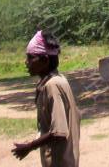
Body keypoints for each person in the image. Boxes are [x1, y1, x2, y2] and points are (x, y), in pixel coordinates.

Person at [12, 30, 81, 166]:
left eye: (31, 57)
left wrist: (30, 146)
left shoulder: (53, 85)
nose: (27, 62)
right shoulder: (59, 80)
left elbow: (59, 132)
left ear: (45, 60)